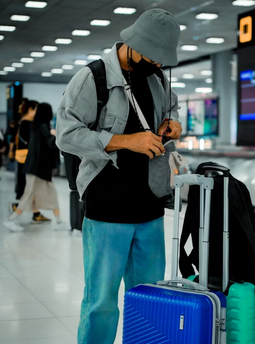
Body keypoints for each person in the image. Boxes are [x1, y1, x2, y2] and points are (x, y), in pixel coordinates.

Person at [56, 8, 182, 344]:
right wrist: (129, 142)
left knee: (151, 297)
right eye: (154, 57)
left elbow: (173, 107)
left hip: (150, 207)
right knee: (101, 302)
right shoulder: (92, 78)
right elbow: (66, 135)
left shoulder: (156, 78)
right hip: (107, 206)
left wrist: (174, 124)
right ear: (135, 43)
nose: (157, 64)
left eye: (162, 60)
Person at [4, 103, 67, 232]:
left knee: (47, 194)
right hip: (38, 169)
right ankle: (11, 220)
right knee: (30, 195)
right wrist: (55, 135)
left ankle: (59, 221)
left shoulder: (35, 126)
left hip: (37, 168)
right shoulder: (43, 126)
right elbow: (51, 143)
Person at [8, 100, 51, 222]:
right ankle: (18, 209)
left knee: (30, 188)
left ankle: (35, 213)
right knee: (30, 188)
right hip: (28, 159)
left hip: (25, 158)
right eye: (35, 109)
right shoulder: (29, 124)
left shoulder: (23, 123)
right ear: (30, 110)